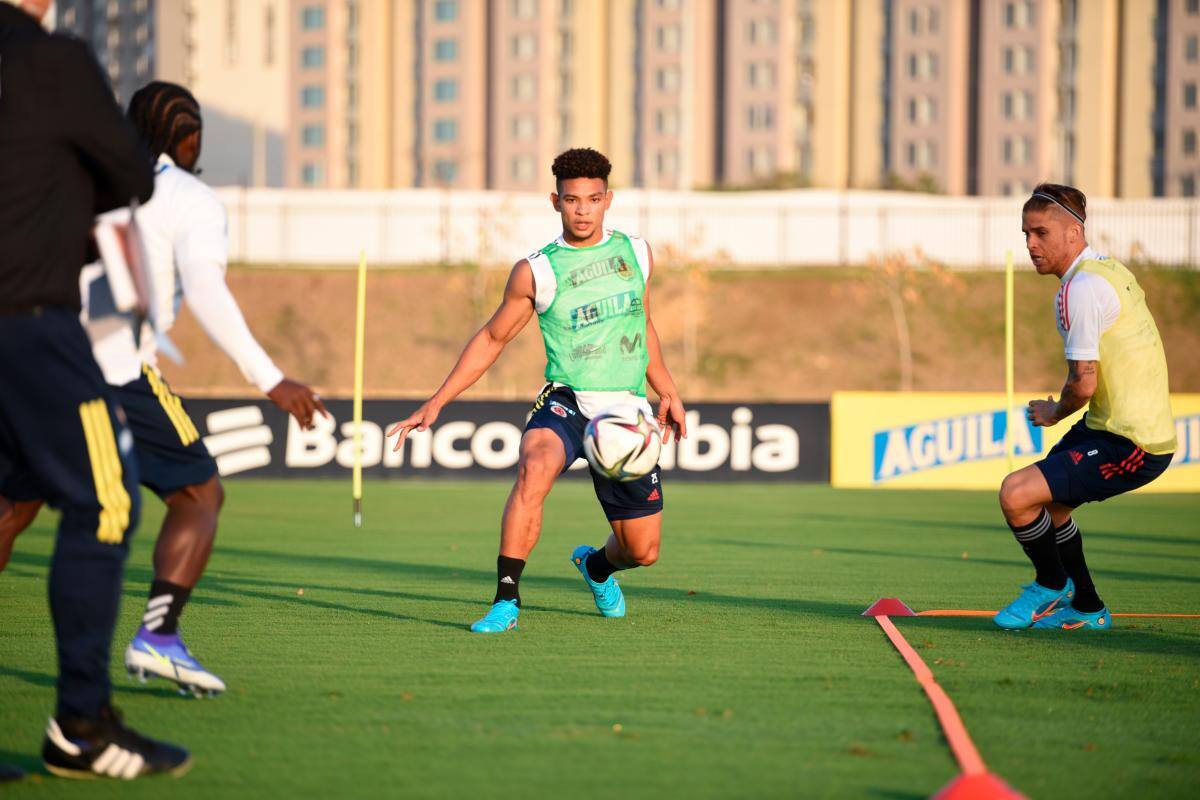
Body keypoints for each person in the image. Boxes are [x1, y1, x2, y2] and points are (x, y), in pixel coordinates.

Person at [0, 81, 328, 696]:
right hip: (110, 366)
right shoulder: (185, 195)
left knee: (16, 505)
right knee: (198, 493)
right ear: (188, 136)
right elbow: (204, 289)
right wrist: (270, 377)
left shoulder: (72, 178)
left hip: (27, 358)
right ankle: (159, 637)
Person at [0, 0, 190, 778]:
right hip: (25, 323)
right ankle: (81, 723)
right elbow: (131, 174)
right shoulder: (51, 60)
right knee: (108, 500)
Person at [388, 148, 687, 633]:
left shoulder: (637, 253)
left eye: (592, 199)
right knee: (534, 466)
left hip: (628, 415)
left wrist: (668, 391)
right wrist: (437, 401)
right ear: (556, 202)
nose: (583, 210)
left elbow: (645, 322)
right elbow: (492, 338)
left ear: (608, 199)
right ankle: (506, 600)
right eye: (572, 200)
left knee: (642, 551)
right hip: (566, 402)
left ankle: (596, 567)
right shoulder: (536, 270)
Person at [993, 183, 1177, 631]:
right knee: (1049, 507)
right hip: (1107, 426)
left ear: (1074, 233)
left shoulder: (1082, 288)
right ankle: (1090, 608)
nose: (1030, 245)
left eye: (1040, 233)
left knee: (1016, 495)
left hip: (1133, 442)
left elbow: (1084, 382)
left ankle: (1052, 583)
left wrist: (1054, 412)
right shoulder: (1107, 271)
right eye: (1025, 234)